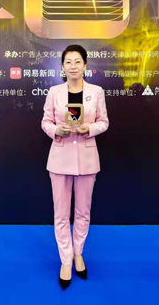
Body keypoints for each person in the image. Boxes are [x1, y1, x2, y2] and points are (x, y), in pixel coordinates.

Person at [41, 44, 109, 289]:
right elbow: (46, 121)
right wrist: (56, 130)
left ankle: (78, 252)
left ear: (85, 65)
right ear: (62, 67)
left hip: (87, 160)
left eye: (77, 61)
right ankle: (65, 260)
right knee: (61, 214)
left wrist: (89, 128)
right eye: (68, 62)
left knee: (82, 212)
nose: (73, 66)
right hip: (59, 159)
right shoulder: (54, 92)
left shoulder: (96, 91)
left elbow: (104, 122)